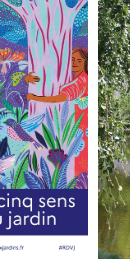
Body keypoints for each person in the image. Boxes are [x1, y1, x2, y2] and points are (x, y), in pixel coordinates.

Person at [25, 47, 89, 178]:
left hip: (81, 126)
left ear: (86, 63)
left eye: (79, 61)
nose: (75, 63)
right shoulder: (76, 77)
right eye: (72, 60)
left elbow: (57, 99)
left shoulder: (82, 81)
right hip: (77, 124)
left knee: (79, 160)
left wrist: (34, 97)